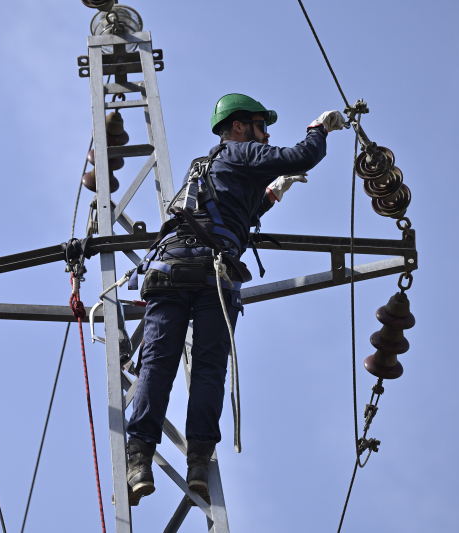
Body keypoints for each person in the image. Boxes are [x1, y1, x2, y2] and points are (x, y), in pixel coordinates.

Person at [124, 93, 345, 506]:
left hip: (170, 268)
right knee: (208, 370)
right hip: (212, 275)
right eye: (262, 127)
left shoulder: (206, 166)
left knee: (157, 363)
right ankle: (198, 462)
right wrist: (318, 130)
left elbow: (229, 210)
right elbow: (300, 155)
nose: (266, 136)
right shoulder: (241, 150)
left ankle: (138, 459)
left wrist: (272, 194)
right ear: (239, 126)